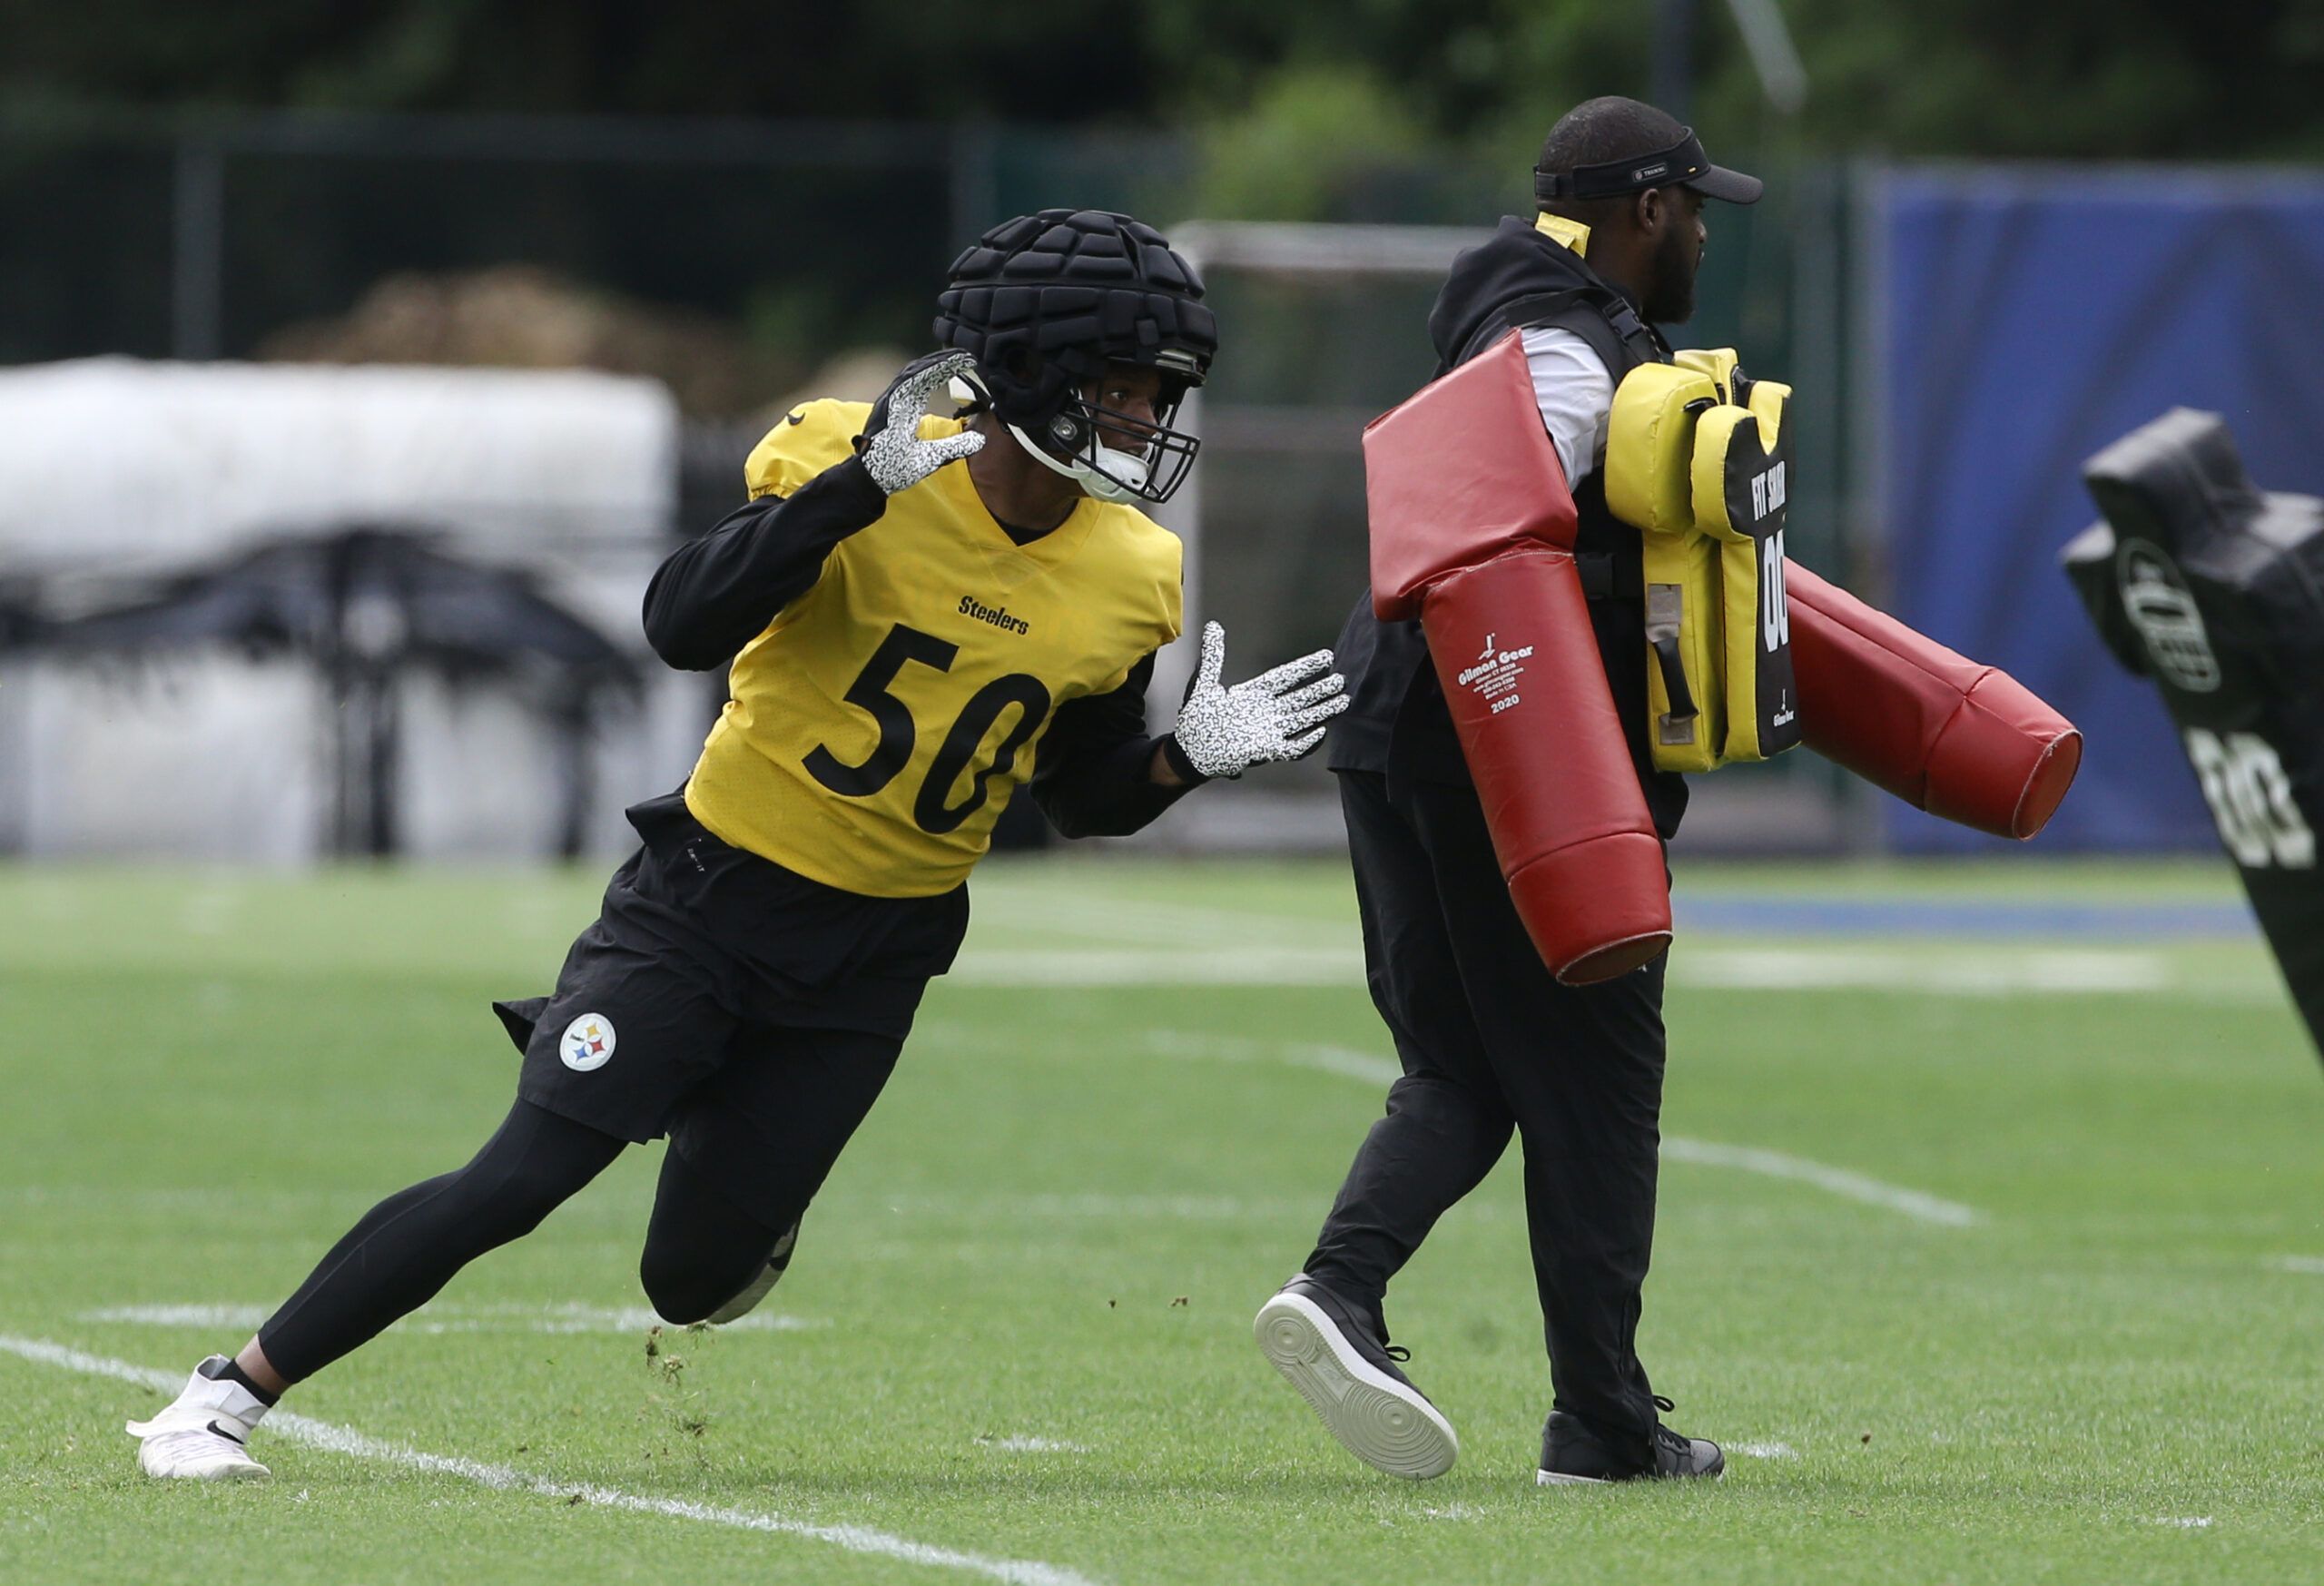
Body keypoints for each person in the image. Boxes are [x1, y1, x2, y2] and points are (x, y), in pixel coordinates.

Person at [128, 208, 1349, 1481]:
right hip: (708, 902)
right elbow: (679, 622)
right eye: (1122, 390)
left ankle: (718, 1132)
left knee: (691, 1282)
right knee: (525, 1175)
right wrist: (852, 493)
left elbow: (1083, 798)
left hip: (879, 953)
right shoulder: (855, 459)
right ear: (1031, 369)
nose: (1146, 423)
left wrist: (1185, 760)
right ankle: (225, 1396)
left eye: (1158, 396)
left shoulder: (1132, 572)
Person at [1253, 97, 1760, 1485]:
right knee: (1599, 1079)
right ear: (1645, 209)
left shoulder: (1517, 319)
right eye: (1698, 208)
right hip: (1505, 745)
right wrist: (1544, 740)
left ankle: (1341, 1290)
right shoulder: (1565, 345)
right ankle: (1600, 1425)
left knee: (1466, 1067)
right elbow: (1482, 530)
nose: (1707, 234)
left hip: (1403, 730)